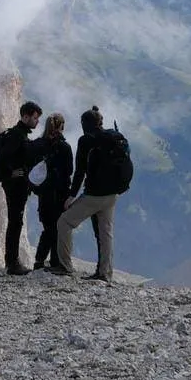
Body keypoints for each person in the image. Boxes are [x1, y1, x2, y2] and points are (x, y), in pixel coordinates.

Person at [55, 105, 122, 283]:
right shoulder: (114, 137)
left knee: (64, 222)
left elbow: (80, 172)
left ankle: (65, 266)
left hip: (94, 195)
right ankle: (105, 273)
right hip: (113, 194)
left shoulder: (86, 141)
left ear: (85, 124)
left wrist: (71, 196)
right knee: (105, 233)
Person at [0, 100, 44, 275]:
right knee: (15, 222)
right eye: (34, 117)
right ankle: (12, 263)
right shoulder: (17, 135)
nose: (36, 121)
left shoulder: (20, 134)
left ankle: (12, 261)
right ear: (25, 117)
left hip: (17, 186)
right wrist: (11, 173)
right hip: (14, 186)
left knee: (16, 221)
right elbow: (5, 157)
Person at [31, 113, 74, 271]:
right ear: (61, 126)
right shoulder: (64, 147)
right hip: (60, 195)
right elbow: (69, 171)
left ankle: (39, 261)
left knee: (48, 227)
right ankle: (55, 261)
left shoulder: (37, 144)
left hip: (43, 195)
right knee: (58, 228)